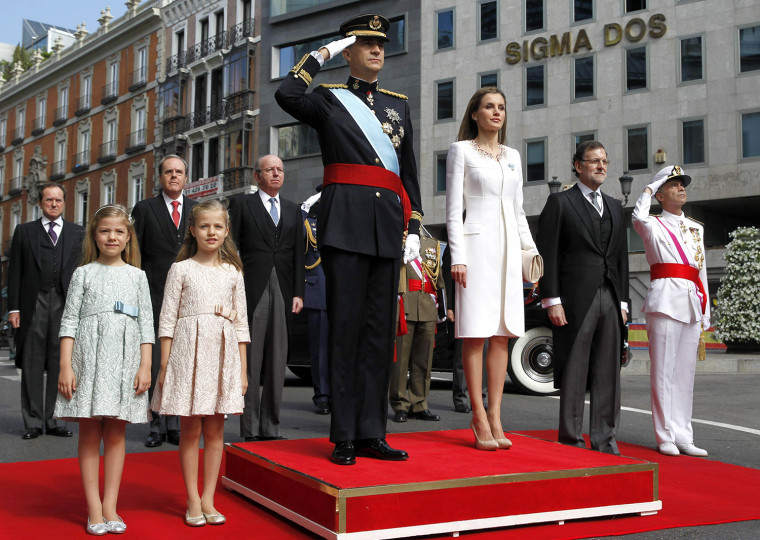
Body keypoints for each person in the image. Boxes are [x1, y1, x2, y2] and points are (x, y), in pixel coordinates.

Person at [275, 14, 422, 465]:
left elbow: (409, 172)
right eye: (367, 44)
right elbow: (287, 94)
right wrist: (324, 53)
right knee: (345, 331)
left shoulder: (398, 105)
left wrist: (414, 225)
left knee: (380, 335)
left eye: (382, 44)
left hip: (384, 227)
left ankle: (371, 432)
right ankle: (342, 434)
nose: (377, 50)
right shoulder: (328, 99)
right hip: (344, 225)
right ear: (351, 51)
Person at [446, 87, 540, 451]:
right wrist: (458, 255)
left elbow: (518, 211)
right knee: (476, 332)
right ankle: (477, 415)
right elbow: (454, 209)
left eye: (501, 106)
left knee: (502, 332)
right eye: (488, 106)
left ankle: (497, 414)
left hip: (506, 250)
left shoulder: (514, 155)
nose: (496, 112)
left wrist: (531, 254)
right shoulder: (461, 150)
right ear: (475, 113)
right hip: (474, 246)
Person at [54, 204, 153, 534]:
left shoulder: (137, 276)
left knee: (116, 432)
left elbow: (146, 324)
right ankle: (93, 507)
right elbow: (68, 321)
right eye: (105, 231)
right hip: (87, 357)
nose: (112, 236)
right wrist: (66, 366)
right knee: (89, 431)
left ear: (128, 238)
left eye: (119, 231)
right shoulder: (83, 273)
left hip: (125, 360)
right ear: (94, 236)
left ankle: (110, 504)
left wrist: (146, 365)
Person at [151, 200, 249, 526]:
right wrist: (165, 366)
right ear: (192, 230)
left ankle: (209, 498)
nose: (211, 232)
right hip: (187, 354)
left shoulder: (233, 272)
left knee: (216, 430)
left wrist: (243, 369)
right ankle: (192, 499)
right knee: (190, 431)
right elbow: (167, 320)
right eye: (204, 226)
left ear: (226, 231)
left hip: (222, 356)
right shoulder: (181, 269)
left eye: (217, 226)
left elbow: (241, 324)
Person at [536, 140, 629, 455]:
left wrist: (624, 302)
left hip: (610, 296)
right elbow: (546, 252)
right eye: (594, 161)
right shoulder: (560, 203)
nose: (602, 167)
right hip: (574, 299)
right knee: (575, 369)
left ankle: (605, 440)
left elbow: (621, 258)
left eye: (604, 161)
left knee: (608, 372)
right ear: (578, 166)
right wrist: (552, 299)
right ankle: (571, 440)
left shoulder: (616, 206)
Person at [632, 165, 710, 457]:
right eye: (673, 184)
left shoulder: (696, 228)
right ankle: (664, 435)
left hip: (691, 300)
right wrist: (649, 188)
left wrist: (705, 311)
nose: (680, 187)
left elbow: (699, 271)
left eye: (682, 183)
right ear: (661, 194)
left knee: (684, 374)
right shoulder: (652, 223)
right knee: (663, 372)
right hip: (664, 300)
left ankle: (683, 434)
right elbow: (637, 216)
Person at [229, 155, 304, 441]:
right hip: (252, 288)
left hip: (284, 290)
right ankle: (249, 428)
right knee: (251, 360)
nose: (276, 173)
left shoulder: (293, 209)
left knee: (277, 360)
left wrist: (298, 291)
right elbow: (232, 247)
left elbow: (298, 253)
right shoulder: (241, 205)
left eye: (280, 169)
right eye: (270, 169)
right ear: (257, 175)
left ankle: (271, 428)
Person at [8, 182, 85, 440]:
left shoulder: (77, 233)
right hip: (33, 301)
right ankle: (32, 421)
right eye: (49, 200)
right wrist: (14, 308)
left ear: (64, 203)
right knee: (31, 362)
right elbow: (15, 271)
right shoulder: (24, 231)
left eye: (59, 200)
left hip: (65, 302)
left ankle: (54, 420)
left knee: (60, 362)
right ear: (40, 203)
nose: (54, 204)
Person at [132, 154, 198, 448]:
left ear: (186, 178)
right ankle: (156, 424)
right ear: (160, 177)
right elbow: (136, 256)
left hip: (190, 298)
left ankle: (176, 424)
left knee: (182, 362)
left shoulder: (197, 210)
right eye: (168, 172)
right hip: (155, 295)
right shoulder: (145, 209)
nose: (174, 176)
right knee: (159, 361)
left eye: (179, 172)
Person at [390, 234, 444, 422]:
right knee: (401, 361)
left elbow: (438, 275)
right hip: (405, 303)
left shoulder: (432, 243)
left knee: (423, 360)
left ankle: (419, 403)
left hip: (428, 306)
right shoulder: (397, 239)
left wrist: (442, 306)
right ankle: (400, 404)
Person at [302, 187, 331, 415]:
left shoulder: (342, 223)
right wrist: (306, 207)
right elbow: (293, 229)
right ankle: (322, 396)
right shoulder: (308, 223)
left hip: (342, 293)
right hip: (318, 291)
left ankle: (338, 394)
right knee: (320, 350)